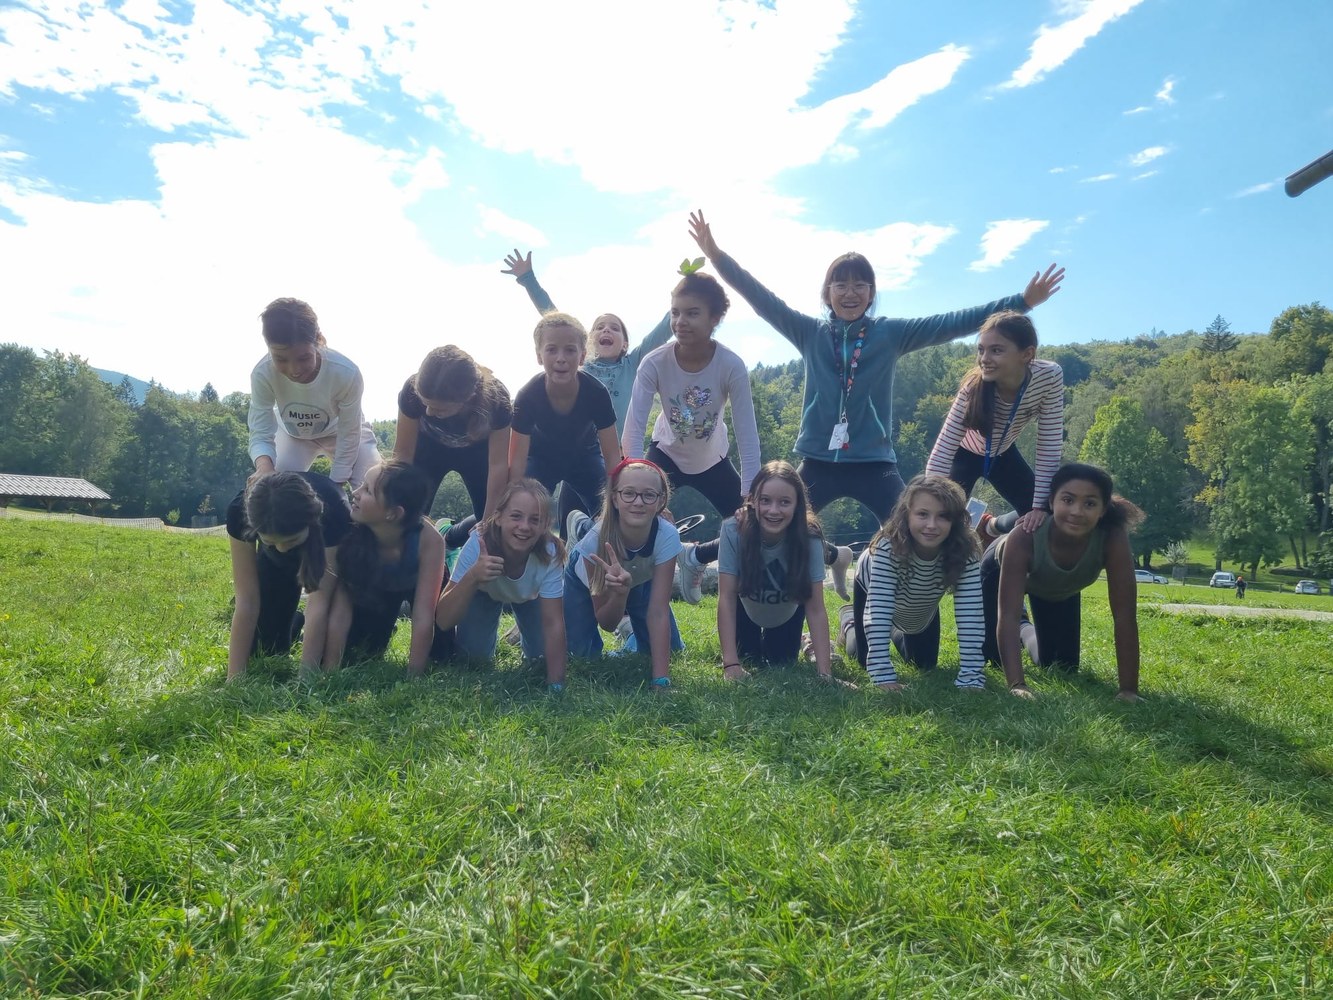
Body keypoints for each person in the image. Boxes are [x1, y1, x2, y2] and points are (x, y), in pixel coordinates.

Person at [684, 210, 1064, 593]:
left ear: (871, 293)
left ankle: (911, 610)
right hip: (818, 462)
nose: (850, 293)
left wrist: (1022, 301)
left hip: (875, 464)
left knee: (916, 529)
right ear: (827, 293)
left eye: (860, 285)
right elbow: (759, 297)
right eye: (840, 285)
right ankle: (717, 569)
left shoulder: (889, 334)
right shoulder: (809, 332)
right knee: (769, 520)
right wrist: (716, 256)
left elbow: (952, 322)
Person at [982, 462, 1143, 701]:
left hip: (1057, 586)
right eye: (1067, 500)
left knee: (1061, 665)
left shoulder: (1112, 537)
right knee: (994, 660)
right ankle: (990, 526)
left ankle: (1024, 627)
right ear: (1051, 502)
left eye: (1090, 504)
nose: (1077, 511)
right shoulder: (1023, 537)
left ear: (1103, 510)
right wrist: (1018, 685)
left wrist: (1128, 690)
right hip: (999, 572)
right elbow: (1007, 616)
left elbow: (1124, 616)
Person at [622, 267, 760, 545]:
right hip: (665, 455)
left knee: (752, 525)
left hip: (713, 460)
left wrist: (750, 496)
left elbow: (747, 436)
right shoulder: (654, 363)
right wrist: (638, 487)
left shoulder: (730, 365)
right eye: (675, 313)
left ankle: (696, 557)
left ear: (714, 318)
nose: (680, 322)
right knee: (630, 513)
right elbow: (633, 431)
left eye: (692, 313)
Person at [501, 249, 674, 433]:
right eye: (599, 327)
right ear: (587, 342)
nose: (606, 329)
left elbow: (664, 329)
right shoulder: (581, 364)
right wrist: (528, 279)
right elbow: (554, 317)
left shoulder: (632, 365)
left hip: (618, 448)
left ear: (625, 344)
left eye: (615, 328)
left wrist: (687, 289)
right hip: (581, 448)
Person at [926, 311, 1064, 538]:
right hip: (963, 454)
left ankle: (992, 526)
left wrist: (1039, 507)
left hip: (1003, 453)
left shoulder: (1049, 376)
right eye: (981, 350)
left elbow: (1049, 444)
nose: (984, 359)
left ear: (1027, 354)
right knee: (943, 519)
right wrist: (931, 502)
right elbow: (943, 450)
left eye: (996, 350)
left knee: (1047, 515)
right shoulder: (972, 388)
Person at [845, 475, 985, 691]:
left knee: (924, 663)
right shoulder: (887, 547)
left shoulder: (966, 551)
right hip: (872, 586)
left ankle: (894, 628)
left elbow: (971, 616)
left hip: (921, 598)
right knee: (863, 659)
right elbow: (878, 610)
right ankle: (849, 623)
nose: (931, 525)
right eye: (922, 514)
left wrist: (971, 677)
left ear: (955, 520)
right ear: (906, 515)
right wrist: (883, 677)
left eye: (943, 516)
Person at [318, 461, 451, 680]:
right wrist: (330, 671)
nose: (356, 493)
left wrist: (413, 677)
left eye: (367, 490)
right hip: (377, 585)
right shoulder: (349, 534)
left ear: (393, 513)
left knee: (443, 655)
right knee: (364, 650)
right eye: (361, 485)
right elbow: (341, 610)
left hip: (419, 585)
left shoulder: (429, 540)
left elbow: (423, 614)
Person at [434, 479, 569, 690]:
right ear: (498, 517)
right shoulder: (478, 543)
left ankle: (519, 634)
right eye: (516, 516)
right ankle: (447, 533)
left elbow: (554, 623)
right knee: (473, 660)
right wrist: (473, 576)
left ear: (545, 525)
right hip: (482, 591)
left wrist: (556, 684)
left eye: (535, 520)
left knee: (541, 660)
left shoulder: (550, 552)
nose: (524, 527)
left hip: (531, 596)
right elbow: (443, 620)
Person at [225, 471, 351, 681]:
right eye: (270, 541)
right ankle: (294, 622)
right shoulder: (240, 511)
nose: (283, 548)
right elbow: (247, 599)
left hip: (320, 547)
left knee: (343, 652)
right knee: (265, 648)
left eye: (290, 541)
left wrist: (306, 679)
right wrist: (234, 679)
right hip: (273, 562)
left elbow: (320, 601)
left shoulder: (335, 511)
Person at [564, 459, 680, 687]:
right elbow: (606, 623)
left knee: (670, 649)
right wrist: (619, 595)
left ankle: (631, 635)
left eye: (649, 495)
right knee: (580, 656)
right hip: (583, 581)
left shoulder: (667, 536)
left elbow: (658, 611)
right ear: (614, 498)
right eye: (629, 493)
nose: (638, 502)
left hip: (640, 578)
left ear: (661, 501)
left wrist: (661, 679)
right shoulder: (595, 542)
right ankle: (580, 527)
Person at [247, 297, 380, 489]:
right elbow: (260, 430)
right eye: (281, 359)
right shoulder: (262, 373)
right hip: (292, 436)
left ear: (320, 340)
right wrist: (264, 468)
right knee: (273, 488)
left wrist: (335, 485)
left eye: (303, 358)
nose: (294, 370)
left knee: (373, 485)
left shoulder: (346, 373)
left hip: (342, 433)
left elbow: (349, 433)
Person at [717, 461, 832, 680]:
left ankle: (807, 641)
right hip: (746, 611)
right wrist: (730, 664)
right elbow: (727, 597)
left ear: (797, 505)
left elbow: (816, 607)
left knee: (781, 661)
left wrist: (825, 674)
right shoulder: (732, 529)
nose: (774, 510)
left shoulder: (810, 538)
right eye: (765, 500)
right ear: (753, 501)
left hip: (787, 612)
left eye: (785, 502)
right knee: (749, 658)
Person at [509, 312, 622, 533]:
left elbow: (612, 456)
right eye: (552, 350)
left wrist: (614, 504)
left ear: (582, 357)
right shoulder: (527, 395)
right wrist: (513, 503)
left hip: (586, 458)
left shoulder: (596, 393)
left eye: (570, 350)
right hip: (540, 461)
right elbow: (517, 462)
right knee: (518, 511)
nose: (561, 358)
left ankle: (583, 531)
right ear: (539, 356)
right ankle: (455, 532)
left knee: (615, 512)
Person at [393, 346, 511, 521]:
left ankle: (453, 532)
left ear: (468, 398)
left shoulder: (497, 400)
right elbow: (403, 454)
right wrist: (397, 504)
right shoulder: (411, 392)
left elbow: (498, 466)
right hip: (429, 449)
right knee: (411, 515)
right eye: (425, 404)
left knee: (490, 518)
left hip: (477, 453)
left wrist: (488, 525)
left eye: (439, 409)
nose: (429, 412)